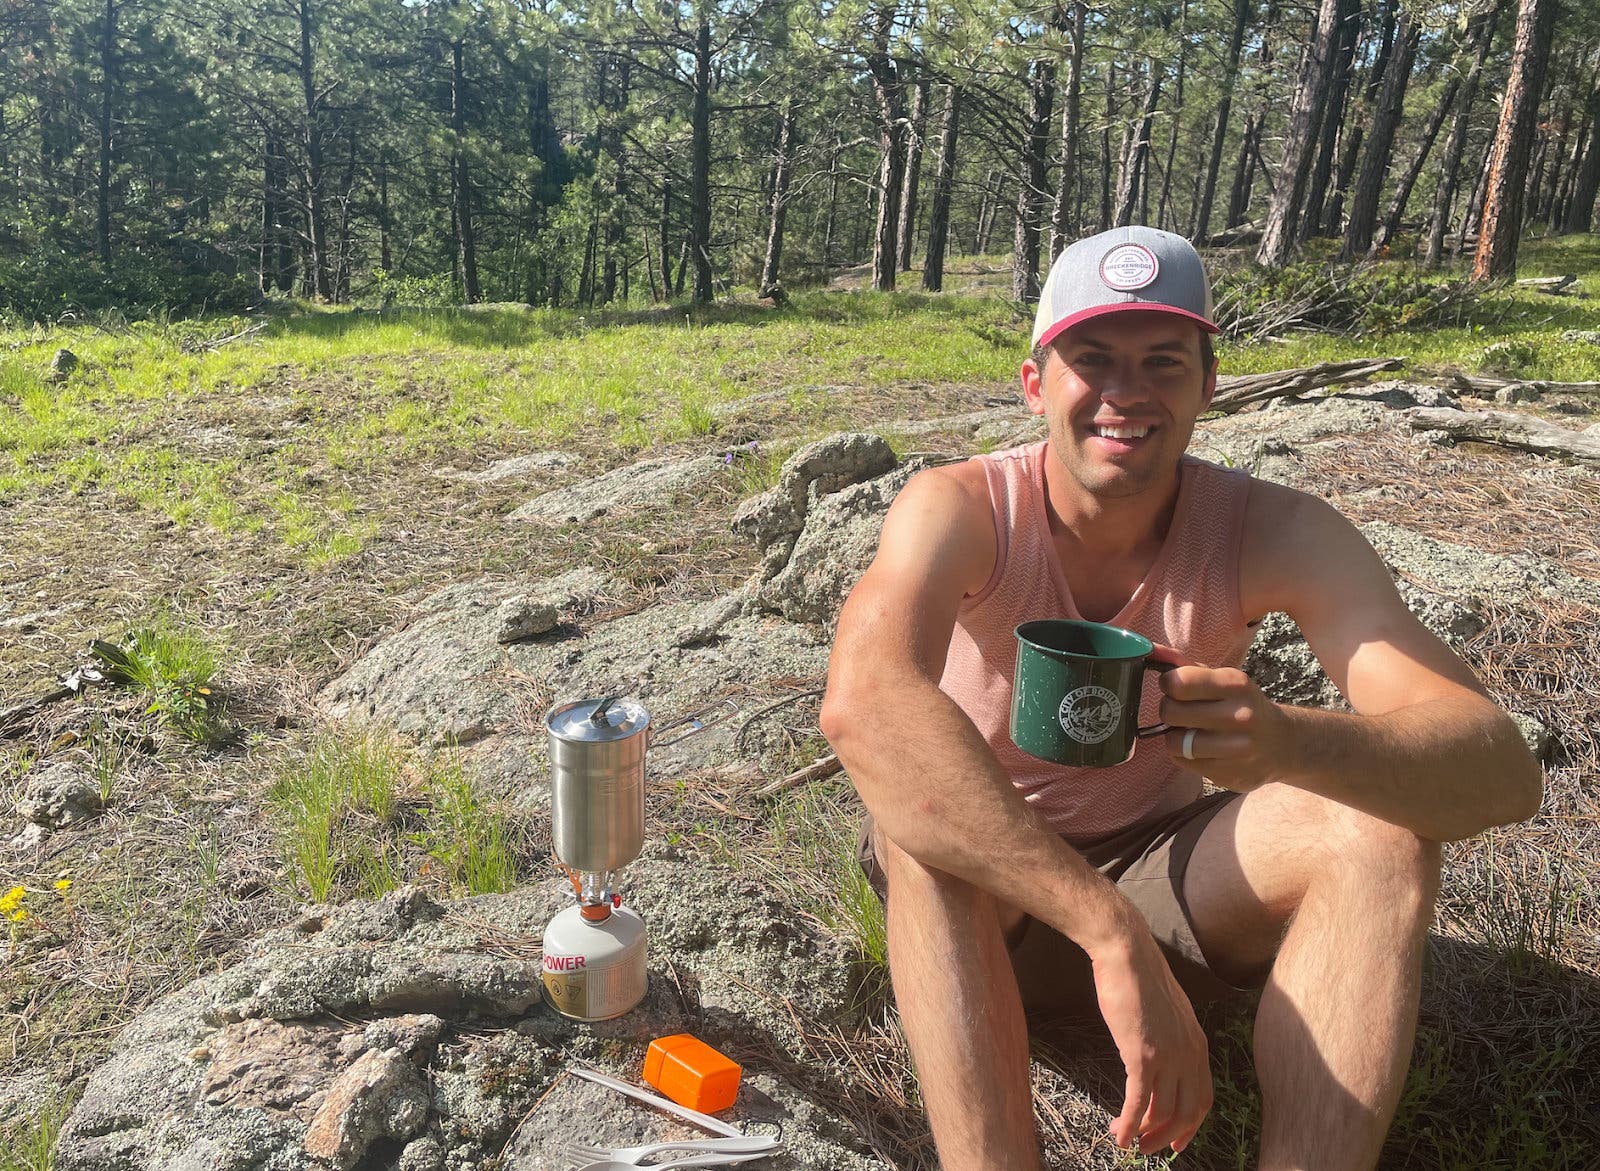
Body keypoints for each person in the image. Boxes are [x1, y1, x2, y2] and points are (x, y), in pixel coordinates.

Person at [818, 226, 1543, 1171]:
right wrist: (1106, 927)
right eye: (1092, 359)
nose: (1126, 392)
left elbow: (1500, 771)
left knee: (1376, 830)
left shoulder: (1273, 531)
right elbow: (865, 703)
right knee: (921, 823)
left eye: (1164, 361)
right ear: (1035, 384)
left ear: (1208, 385)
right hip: (985, 900)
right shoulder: (963, 507)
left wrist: (1291, 743)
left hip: (1165, 870)